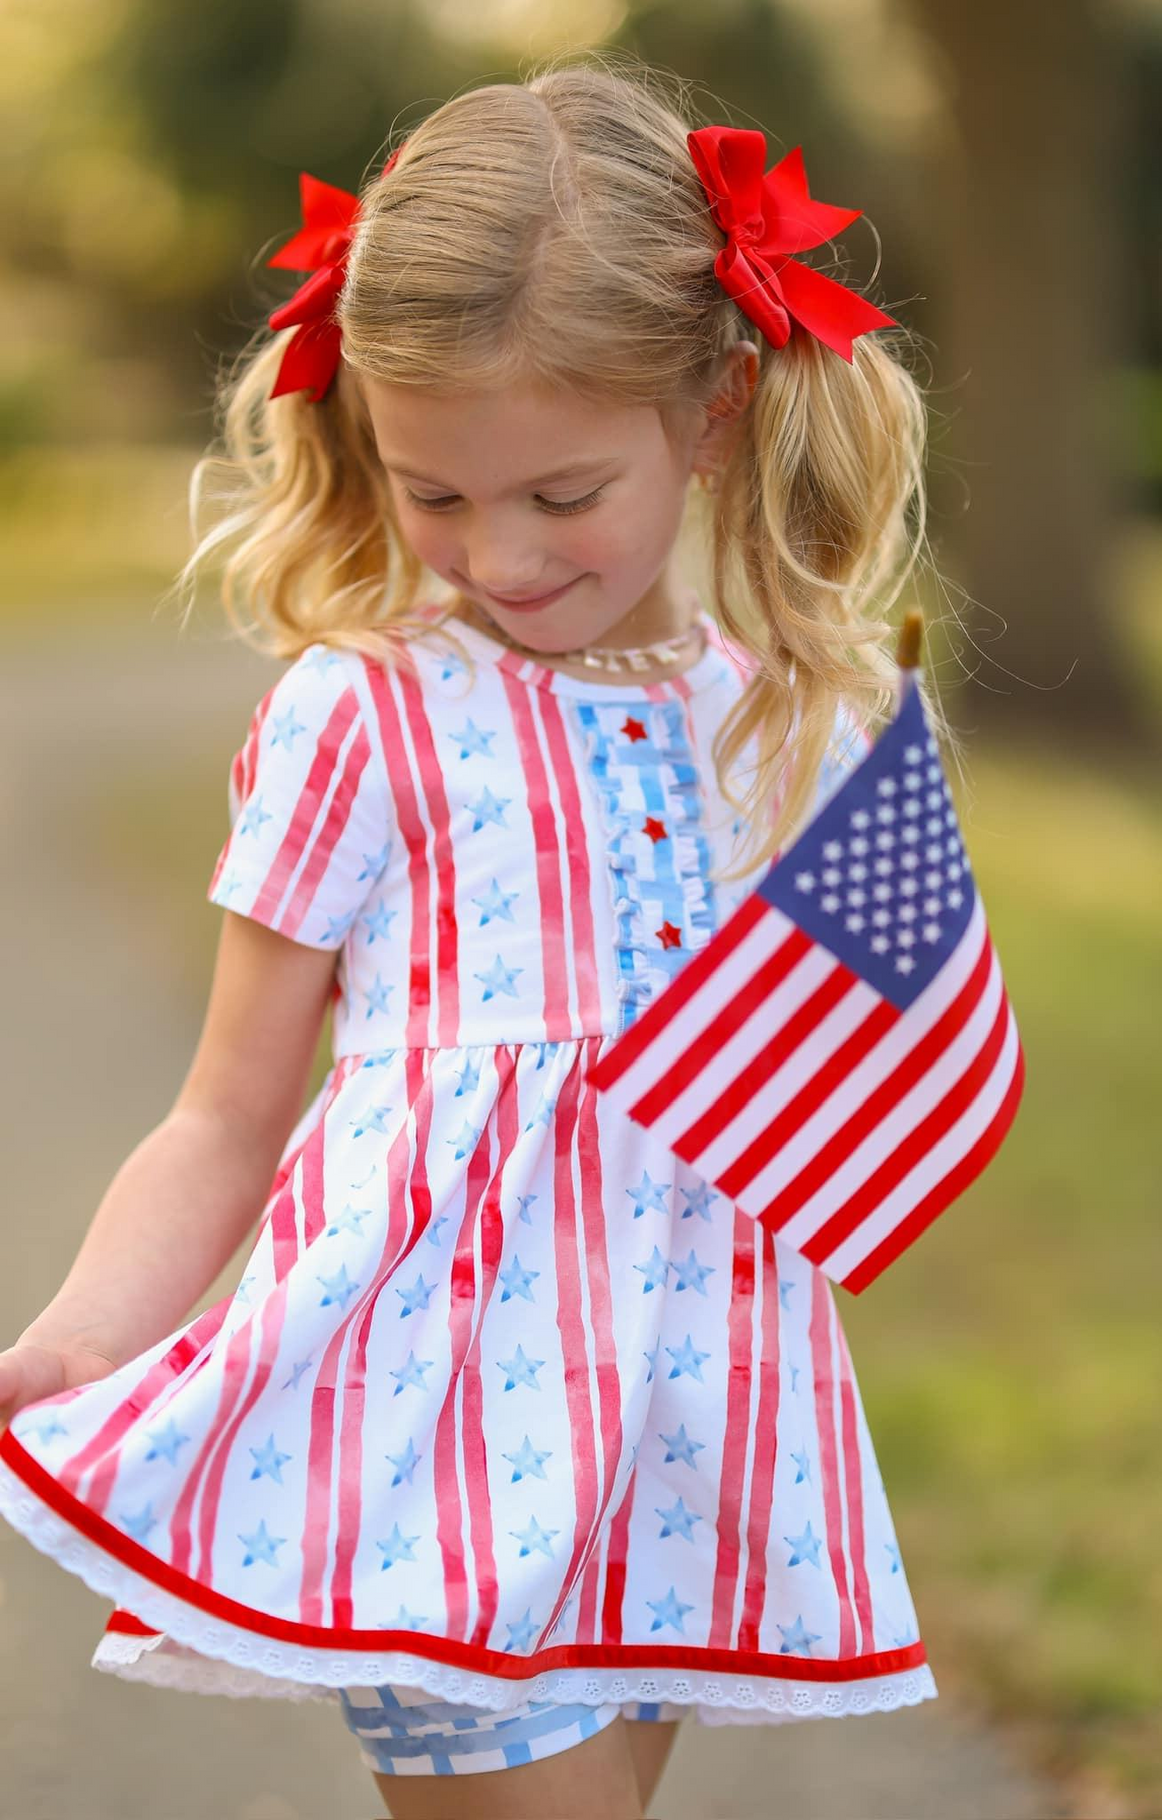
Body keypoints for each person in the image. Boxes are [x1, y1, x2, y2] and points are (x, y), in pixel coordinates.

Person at [0, 53, 949, 1820]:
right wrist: (77, 1339)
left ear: (716, 412)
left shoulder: (769, 717)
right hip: (433, 1431)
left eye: (559, 495)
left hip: (683, 1416)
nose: (494, 556)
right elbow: (226, 1112)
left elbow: (828, 1059)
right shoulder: (364, 716)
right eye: (435, 495)